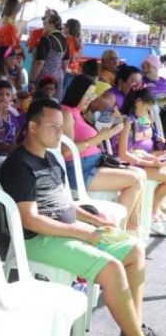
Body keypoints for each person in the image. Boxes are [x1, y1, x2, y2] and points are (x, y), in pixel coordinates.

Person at [0, 98, 166, 336]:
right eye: (53, 127)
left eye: (61, 127)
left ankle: (131, 328)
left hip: (66, 231)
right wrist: (82, 232)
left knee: (135, 249)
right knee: (111, 269)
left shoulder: (50, 158)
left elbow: (65, 204)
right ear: (32, 126)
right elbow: (31, 220)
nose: (59, 133)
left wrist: (93, 220)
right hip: (38, 240)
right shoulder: (18, 165)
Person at [61, 75, 145, 232]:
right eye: (87, 95)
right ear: (77, 93)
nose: (90, 99)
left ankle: (132, 228)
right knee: (135, 180)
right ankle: (116, 231)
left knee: (140, 174)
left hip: (92, 163)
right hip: (80, 171)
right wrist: (99, 138)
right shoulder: (66, 112)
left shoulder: (78, 112)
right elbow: (65, 151)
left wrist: (110, 129)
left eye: (93, 95)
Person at [115, 88, 166, 235]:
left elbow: (136, 149)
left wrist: (151, 158)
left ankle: (152, 211)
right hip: (127, 166)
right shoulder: (127, 121)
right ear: (138, 102)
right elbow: (124, 154)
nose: (146, 113)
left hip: (138, 162)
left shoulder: (135, 118)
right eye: (146, 109)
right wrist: (151, 163)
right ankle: (152, 213)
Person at [30, 12, 68, 101]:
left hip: (44, 79)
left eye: (46, 23)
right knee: (55, 104)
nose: (44, 26)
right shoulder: (65, 40)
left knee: (40, 104)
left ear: (51, 25)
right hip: (58, 78)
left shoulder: (46, 39)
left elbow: (39, 63)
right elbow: (65, 64)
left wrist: (32, 79)